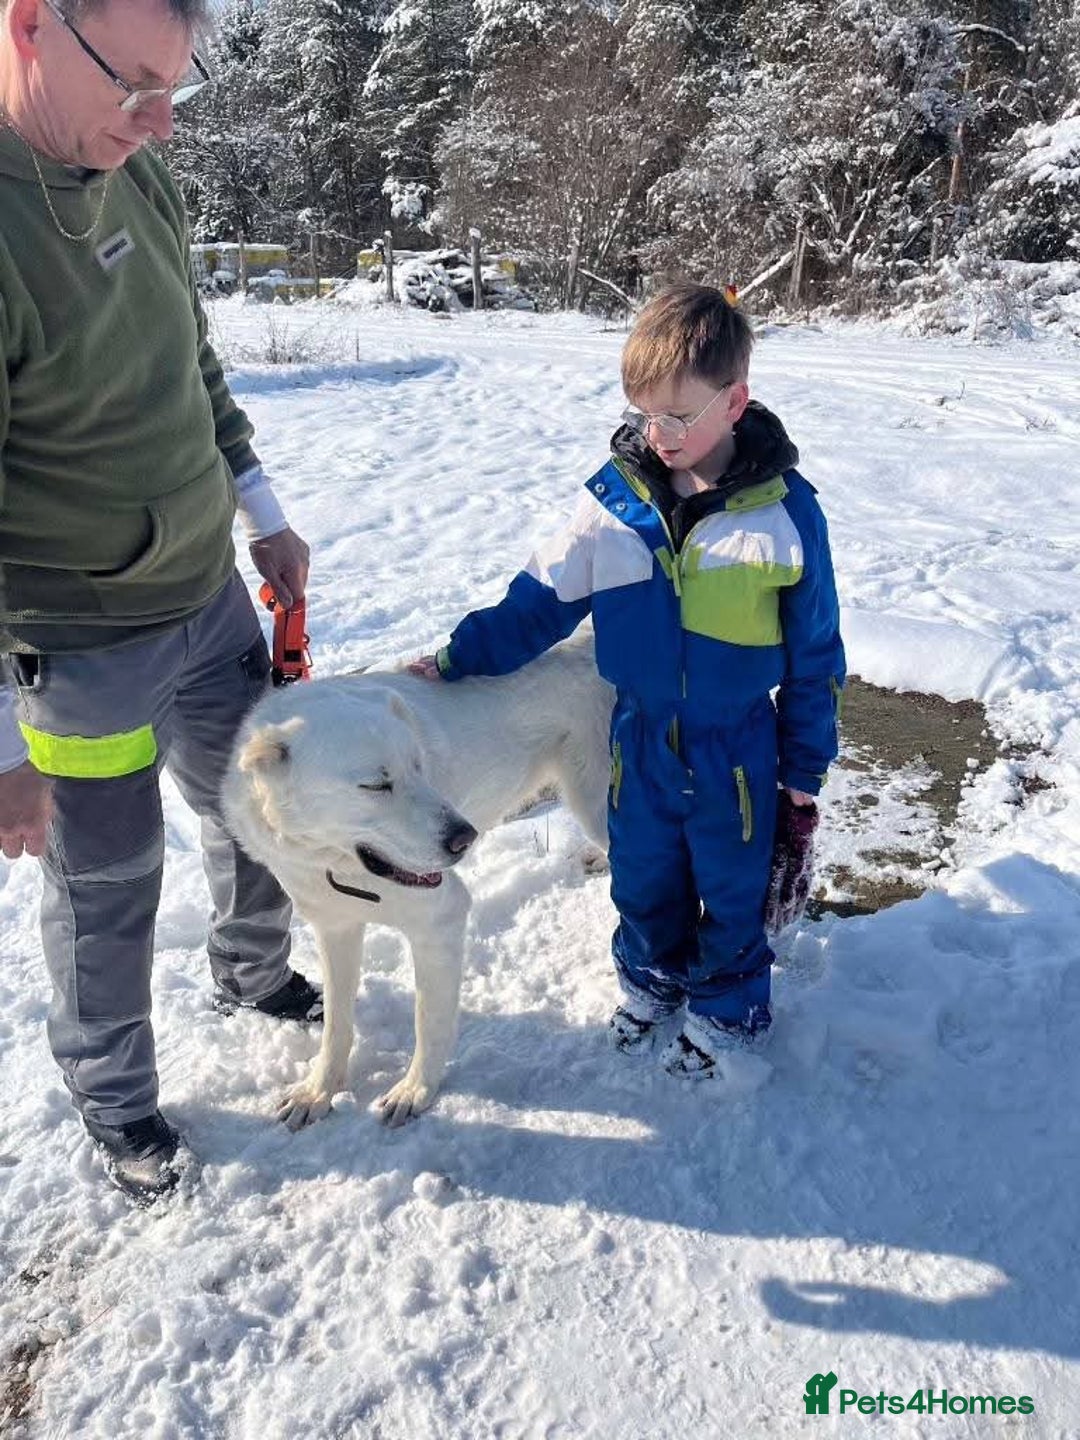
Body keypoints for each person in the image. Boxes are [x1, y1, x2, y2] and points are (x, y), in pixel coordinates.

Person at [0, 0, 321, 1202]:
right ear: (31, 24)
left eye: (171, 94)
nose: (155, 125)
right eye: (134, 84)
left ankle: (252, 968)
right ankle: (115, 1096)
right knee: (107, 882)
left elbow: (193, 362)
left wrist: (264, 508)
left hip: (209, 597)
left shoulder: (132, 171)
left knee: (256, 807)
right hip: (81, 647)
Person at [411, 282, 845, 1077]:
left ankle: (728, 1015)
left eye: (679, 417)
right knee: (643, 876)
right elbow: (534, 605)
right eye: (646, 414)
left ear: (735, 400)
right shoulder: (612, 505)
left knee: (735, 890)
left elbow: (817, 654)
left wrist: (804, 768)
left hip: (736, 748)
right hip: (638, 737)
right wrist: (454, 657)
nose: (660, 434)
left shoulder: (784, 515)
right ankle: (651, 980)